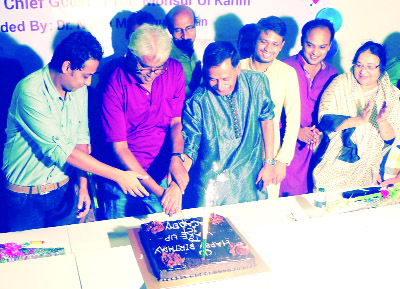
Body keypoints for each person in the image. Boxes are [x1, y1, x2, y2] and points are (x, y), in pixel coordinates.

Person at [2, 31, 149, 232]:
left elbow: (81, 139)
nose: (88, 82)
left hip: (65, 189)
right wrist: (119, 176)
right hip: (26, 197)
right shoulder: (30, 91)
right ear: (67, 66)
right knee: (29, 259)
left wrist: (83, 183)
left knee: (68, 255)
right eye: (86, 75)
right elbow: (63, 150)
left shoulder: (78, 90)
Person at [172, 41, 276, 208]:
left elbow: (267, 119)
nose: (220, 86)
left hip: (249, 180)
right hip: (212, 188)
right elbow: (190, 147)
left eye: (225, 78)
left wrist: (269, 162)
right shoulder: (198, 101)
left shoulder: (257, 83)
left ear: (238, 68)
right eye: (213, 79)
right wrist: (178, 181)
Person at [101, 24, 186, 218]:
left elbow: (176, 122)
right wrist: (159, 192)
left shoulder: (174, 70)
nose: (152, 74)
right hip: (123, 178)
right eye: (145, 67)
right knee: (120, 239)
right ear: (131, 56)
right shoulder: (115, 83)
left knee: (165, 238)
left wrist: (176, 157)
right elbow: (120, 148)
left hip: (161, 172)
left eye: (158, 69)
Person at [313, 41, 400, 192]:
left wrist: (382, 121)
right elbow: (326, 120)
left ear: (381, 68)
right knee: (327, 209)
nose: (363, 71)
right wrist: (360, 120)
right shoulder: (341, 83)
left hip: (367, 170)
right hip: (333, 165)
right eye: (359, 65)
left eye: (370, 67)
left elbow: (391, 139)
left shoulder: (390, 94)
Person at [240, 16, 300, 198]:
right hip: (238, 156)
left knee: (266, 210)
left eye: (275, 44)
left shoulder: (287, 73)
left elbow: (293, 118)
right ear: (255, 40)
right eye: (264, 42)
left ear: (282, 46)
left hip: (270, 157)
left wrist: (281, 160)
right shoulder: (238, 68)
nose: (268, 49)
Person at [279, 19, 337, 196]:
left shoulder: (332, 73)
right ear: (302, 41)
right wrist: (295, 131)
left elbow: (332, 112)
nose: (315, 52)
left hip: (315, 149)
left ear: (329, 46)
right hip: (284, 146)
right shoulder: (283, 67)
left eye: (322, 47)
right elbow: (266, 112)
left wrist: (320, 132)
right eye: (310, 45)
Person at [166, 5, 202, 98]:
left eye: (189, 28)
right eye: (178, 30)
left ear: (195, 25)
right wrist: (192, 86)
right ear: (170, 30)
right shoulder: (162, 57)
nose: (185, 36)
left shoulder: (206, 49)